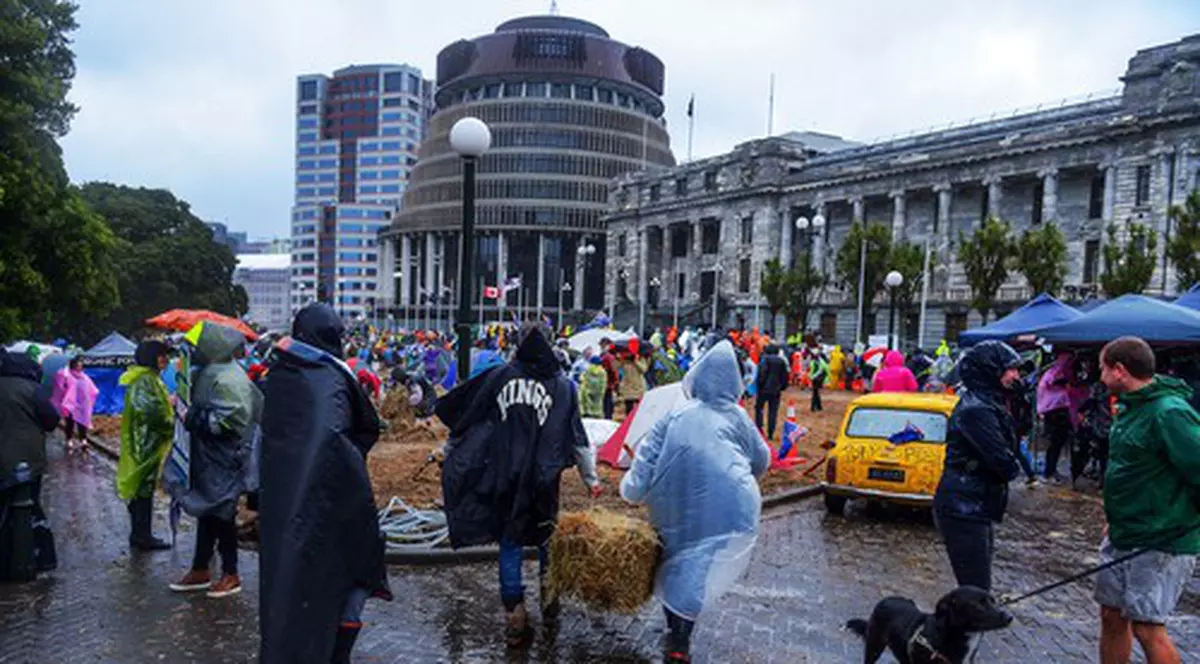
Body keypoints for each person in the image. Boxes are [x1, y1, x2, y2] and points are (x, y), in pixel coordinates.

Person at [437, 322, 601, 648]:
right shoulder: (564, 387)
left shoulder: (499, 378)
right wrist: (591, 478)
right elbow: (578, 436)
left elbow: (468, 417)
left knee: (510, 543)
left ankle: (515, 614)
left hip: (505, 477)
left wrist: (447, 451)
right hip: (544, 480)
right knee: (546, 541)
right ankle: (550, 600)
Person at [621, 341, 772, 663]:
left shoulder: (675, 415)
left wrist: (631, 490)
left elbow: (646, 456)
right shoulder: (739, 418)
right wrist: (738, 473)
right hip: (727, 509)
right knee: (698, 566)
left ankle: (676, 632)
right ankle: (680, 636)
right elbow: (763, 459)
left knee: (674, 561)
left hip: (671, 504)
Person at [259, 304, 392, 663]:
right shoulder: (330, 380)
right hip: (328, 506)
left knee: (289, 591)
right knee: (344, 586)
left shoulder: (282, 375)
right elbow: (337, 446)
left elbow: (271, 443)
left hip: (286, 505)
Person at [1094, 337, 1200, 664]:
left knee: (1147, 627)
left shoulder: (1169, 413)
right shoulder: (1130, 407)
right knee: (1112, 615)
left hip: (1161, 540)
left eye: (1102, 368)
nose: (1099, 376)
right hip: (1125, 533)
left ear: (1120, 371)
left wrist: (1180, 524)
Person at [169, 322, 262, 599]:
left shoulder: (229, 378)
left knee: (221, 512)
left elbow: (230, 421)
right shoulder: (214, 373)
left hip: (225, 458)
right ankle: (201, 568)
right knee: (208, 510)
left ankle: (230, 574)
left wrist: (191, 417)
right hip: (209, 457)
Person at [932, 340, 1023, 592]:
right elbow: (1005, 462)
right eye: (1010, 369)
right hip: (964, 505)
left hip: (976, 503)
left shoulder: (989, 403)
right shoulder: (976, 410)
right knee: (975, 590)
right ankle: (958, 631)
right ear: (990, 370)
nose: (1016, 376)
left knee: (978, 587)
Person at [0, 349, 60, 580]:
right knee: (30, 506)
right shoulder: (32, 389)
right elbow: (51, 420)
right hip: (29, 460)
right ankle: (38, 559)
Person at [115, 341, 174, 551]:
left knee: (143, 489)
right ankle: (142, 536)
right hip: (145, 443)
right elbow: (152, 412)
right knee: (143, 490)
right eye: (161, 355)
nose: (165, 360)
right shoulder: (145, 381)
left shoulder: (147, 379)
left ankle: (140, 534)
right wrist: (172, 420)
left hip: (146, 442)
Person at [1037, 351, 1086, 482]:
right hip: (1055, 413)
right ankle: (1049, 472)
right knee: (1055, 443)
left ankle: (1051, 471)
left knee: (1057, 444)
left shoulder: (1056, 373)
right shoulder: (1055, 374)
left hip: (1056, 412)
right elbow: (1053, 385)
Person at [50, 356, 98, 453]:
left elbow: (92, 389)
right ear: (73, 366)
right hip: (70, 405)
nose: (79, 367)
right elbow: (60, 387)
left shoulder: (84, 377)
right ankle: (69, 440)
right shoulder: (66, 375)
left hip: (83, 404)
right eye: (77, 365)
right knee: (70, 423)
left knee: (83, 423)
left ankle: (83, 440)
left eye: (81, 365)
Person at [754, 344, 788, 439]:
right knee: (773, 411)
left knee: (759, 408)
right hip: (776, 390)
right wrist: (782, 387)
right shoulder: (782, 361)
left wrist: (759, 385)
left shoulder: (765, 359)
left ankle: (759, 428)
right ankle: (771, 433)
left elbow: (762, 373)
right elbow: (785, 376)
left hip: (764, 389)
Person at [617, 343, 650, 417]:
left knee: (639, 408)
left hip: (638, 387)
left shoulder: (641, 358)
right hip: (627, 387)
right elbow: (615, 367)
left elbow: (644, 370)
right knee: (628, 409)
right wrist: (619, 358)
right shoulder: (624, 359)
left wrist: (635, 361)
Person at [599, 338, 619, 420]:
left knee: (607, 401)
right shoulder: (606, 355)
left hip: (607, 382)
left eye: (602, 344)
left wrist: (614, 381)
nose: (601, 346)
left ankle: (607, 416)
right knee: (607, 400)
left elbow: (612, 370)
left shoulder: (607, 356)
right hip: (607, 382)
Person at [808, 347, 829, 412]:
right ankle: (819, 406)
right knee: (816, 392)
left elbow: (815, 371)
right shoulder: (819, 361)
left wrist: (811, 377)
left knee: (815, 393)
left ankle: (813, 407)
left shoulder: (816, 362)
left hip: (816, 379)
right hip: (818, 378)